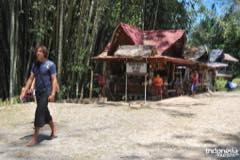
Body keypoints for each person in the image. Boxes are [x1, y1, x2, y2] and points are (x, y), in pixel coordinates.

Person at [20, 45, 58, 146]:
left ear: (44, 53)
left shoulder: (50, 64)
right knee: (45, 112)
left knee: (39, 112)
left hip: (46, 92)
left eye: (40, 51)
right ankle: (54, 131)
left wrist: (53, 93)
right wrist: (25, 90)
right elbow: (31, 78)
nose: (37, 53)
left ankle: (35, 138)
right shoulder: (35, 65)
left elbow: (54, 80)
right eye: (37, 51)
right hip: (38, 92)